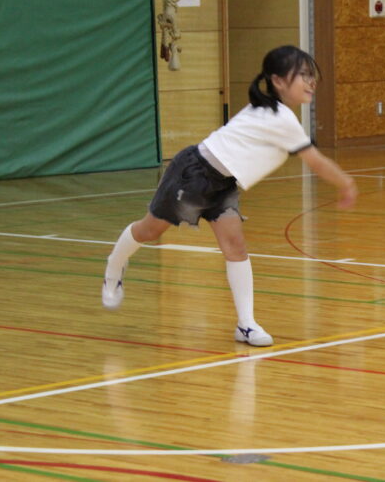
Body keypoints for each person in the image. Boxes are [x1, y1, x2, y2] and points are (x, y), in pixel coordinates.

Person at [101, 45, 358, 347]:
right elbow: (316, 161)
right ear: (278, 80)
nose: (311, 81)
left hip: (223, 183)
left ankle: (246, 324)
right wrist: (346, 183)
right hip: (194, 174)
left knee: (235, 246)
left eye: (311, 75)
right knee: (150, 231)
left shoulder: (276, 113)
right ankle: (114, 266)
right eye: (303, 75)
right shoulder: (279, 117)